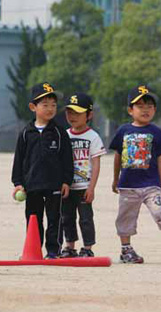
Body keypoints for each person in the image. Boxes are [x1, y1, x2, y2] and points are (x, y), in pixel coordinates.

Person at [109, 85, 161, 263]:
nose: (145, 110)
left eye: (149, 106)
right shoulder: (123, 131)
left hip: (150, 185)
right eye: (140, 106)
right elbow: (117, 157)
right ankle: (126, 250)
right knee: (125, 217)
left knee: (159, 211)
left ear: (155, 110)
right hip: (127, 185)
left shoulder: (156, 132)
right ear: (130, 110)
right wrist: (115, 178)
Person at [11, 82, 74, 259]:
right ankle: (34, 250)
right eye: (45, 105)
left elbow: (67, 159)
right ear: (33, 107)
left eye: (53, 105)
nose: (50, 109)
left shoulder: (60, 132)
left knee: (55, 219)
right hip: (31, 185)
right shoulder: (26, 133)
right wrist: (18, 183)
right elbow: (18, 160)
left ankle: (53, 251)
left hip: (54, 184)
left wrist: (66, 181)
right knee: (33, 219)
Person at [59, 93, 106, 258]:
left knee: (85, 218)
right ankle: (69, 246)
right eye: (69, 112)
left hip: (84, 186)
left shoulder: (93, 137)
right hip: (67, 186)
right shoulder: (64, 135)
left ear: (89, 115)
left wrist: (92, 188)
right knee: (66, 218)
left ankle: (87, 247)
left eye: (78, 113)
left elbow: (96, 164)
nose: (72, 116)